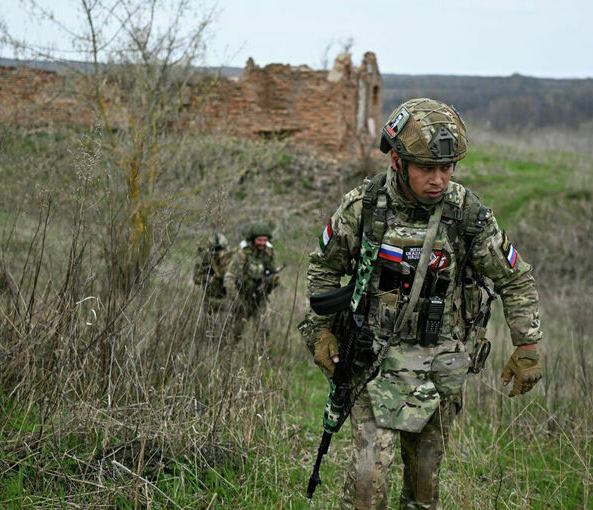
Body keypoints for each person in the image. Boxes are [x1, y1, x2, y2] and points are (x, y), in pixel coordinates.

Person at [299, 98, 543, 509]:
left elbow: (514, 278)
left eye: (447, 169)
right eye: (426, 168)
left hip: (439, 369)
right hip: (372, 363)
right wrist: (320, 332)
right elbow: (323, 271)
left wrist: (528, 345)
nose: (439, 180)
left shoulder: (466, 214)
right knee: (366, 485)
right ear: (397, 160)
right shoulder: (364, 207)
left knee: (423, 489)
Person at [224, 221, 281, 339]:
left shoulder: (269, 253)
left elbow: (273, 272)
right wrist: (237, 301)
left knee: (264, 330)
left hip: (260, 298)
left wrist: (272, 281)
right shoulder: (242, 254)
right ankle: (228, 354)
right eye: (259, 240)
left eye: (265, 240)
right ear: (253, 239)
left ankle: (262, 355)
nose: (262, 243)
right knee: (235, 332)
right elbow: (229, 278)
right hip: (242, 298)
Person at [193, 232, 232, 312]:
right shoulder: (204, 259)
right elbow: (196, 278)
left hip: (228, 300)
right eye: (215, 250)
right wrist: (210, 278)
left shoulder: (232, 259)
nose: (218, 254)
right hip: (210, 299)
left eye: (220, 250)